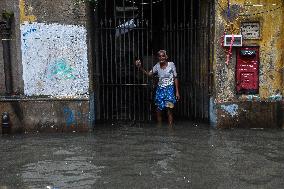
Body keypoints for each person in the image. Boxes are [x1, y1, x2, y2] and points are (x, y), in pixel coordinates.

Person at [135, 50, 180, 126]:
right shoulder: (157, 66)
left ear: (166, 57)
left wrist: (177, 92)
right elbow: (149, 74)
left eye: (163, 56)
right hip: (160, 90)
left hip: (169, 89)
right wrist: (140, 68)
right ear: (158, 57)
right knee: (158, 110)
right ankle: (159, 128)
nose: (161, 57)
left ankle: (170, 130)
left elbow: (175, 77)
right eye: (159, 56)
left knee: (169, 110)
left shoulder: (171, 64)